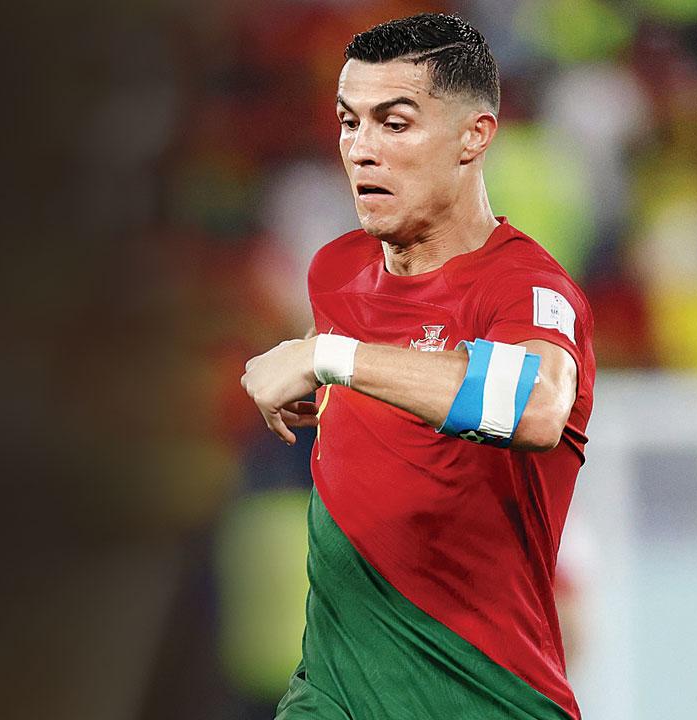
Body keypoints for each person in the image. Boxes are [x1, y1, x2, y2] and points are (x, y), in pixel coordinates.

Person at [239, 13, 595, 720]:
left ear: (474, 136)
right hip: (332, 696)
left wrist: (330, 357)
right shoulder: (337, 270)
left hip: (482, 698)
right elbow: (371, 362)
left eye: (394, 124)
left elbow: (534, 407)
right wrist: (322, 377)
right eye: (349, 122)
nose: (361, 150)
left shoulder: (527, 288)